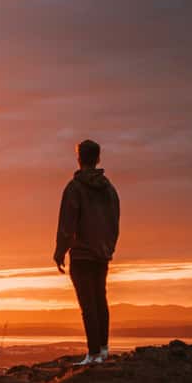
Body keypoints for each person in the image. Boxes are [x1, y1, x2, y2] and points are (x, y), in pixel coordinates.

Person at [54, 139, 120, 365]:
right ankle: (102, 349)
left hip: (82, 254)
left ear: (79, 158)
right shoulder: (109, 189)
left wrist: (60, 251)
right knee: (100, 299)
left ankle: (93, 354)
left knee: (88, 304)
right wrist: (109, 246)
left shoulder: (75, 188)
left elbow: (67, 223)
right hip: (101, 253)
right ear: (98, 158)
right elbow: (115, 220)